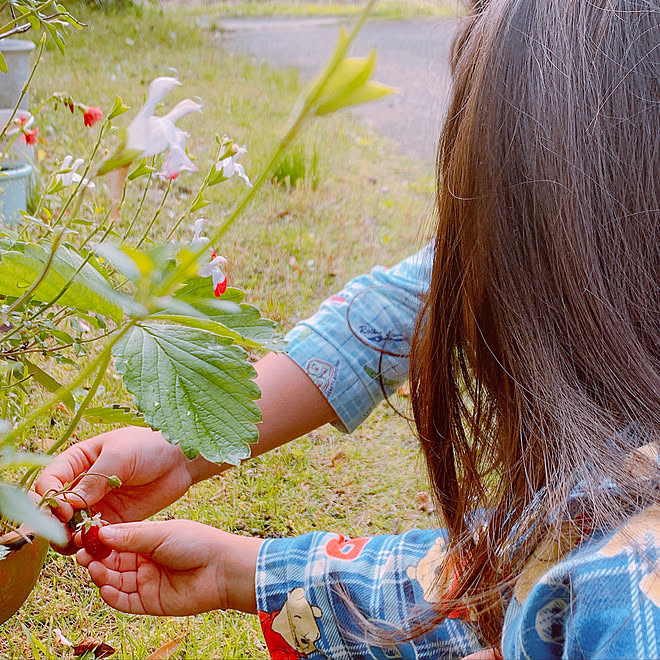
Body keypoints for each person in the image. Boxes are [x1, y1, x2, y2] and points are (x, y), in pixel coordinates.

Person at [40, 0, 659, 658]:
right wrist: (215, 505)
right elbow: (524, 581)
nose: (473, 286)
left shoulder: (631, 602)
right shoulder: (608, 523)